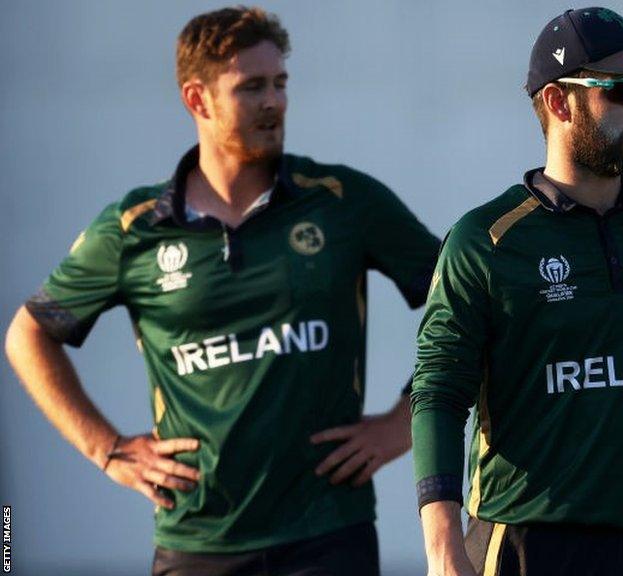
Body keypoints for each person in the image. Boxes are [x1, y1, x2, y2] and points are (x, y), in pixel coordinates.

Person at [4, 6, 440, 575]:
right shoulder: (134, 228)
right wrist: (106, 448)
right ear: (197, 99)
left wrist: (402, 423)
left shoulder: (342, 201)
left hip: (328, 533)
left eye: (280, 83)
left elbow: (472, 306)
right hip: (196, 542)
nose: (274, 101)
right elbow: (29, 334)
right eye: (251, 86)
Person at [411, 7, 623, 576]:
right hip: (531, 543)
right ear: (560, 103)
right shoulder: (486, 239)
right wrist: (443, 551)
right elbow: (439, 394)